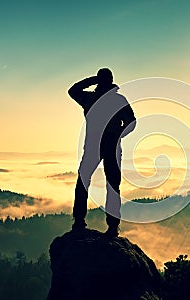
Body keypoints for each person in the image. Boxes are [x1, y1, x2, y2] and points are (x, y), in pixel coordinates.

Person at [68, 68, 136, 236]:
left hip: (93, 146)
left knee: (84, 181)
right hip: (110, 147)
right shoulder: (118, 100)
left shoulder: (90, 98)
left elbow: (73, 90)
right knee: (112, 185)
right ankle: (112, 227)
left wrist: (92, 80)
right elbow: (132, 123)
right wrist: (118, 135)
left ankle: (79, 222)